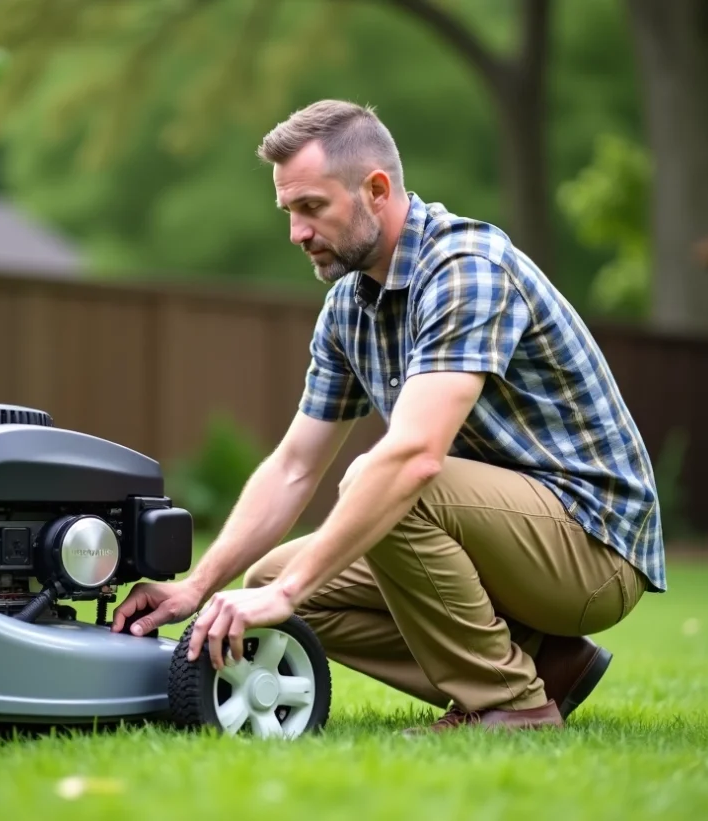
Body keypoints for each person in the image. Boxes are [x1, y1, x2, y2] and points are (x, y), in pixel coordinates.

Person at [111, 99, 664, 734]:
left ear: (376, 190)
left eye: (312, 207)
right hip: (503, 540)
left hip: (591, 548)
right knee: (271, 580)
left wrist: (285, 595)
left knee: (390, 480)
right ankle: (546, 663)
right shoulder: (350, 306)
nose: (296, 232)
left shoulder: (465, 271)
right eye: (289, 211)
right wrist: (201, 586)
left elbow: (416, 458)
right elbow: (294, 467)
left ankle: (513, 704)